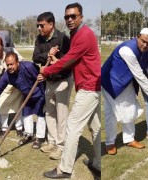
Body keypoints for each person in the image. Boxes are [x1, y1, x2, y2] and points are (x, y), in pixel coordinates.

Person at [41, 3, 100, 179]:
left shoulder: (84, 35)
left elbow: (69, 60)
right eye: (67, 17)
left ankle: (64, 169)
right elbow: (72, 59)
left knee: (73, 127)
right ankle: (97, 163)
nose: (69, 19)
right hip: (91, 86)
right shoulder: (75, 34)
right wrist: (56, 62)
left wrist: (47, 71)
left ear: (81, 16)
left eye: (73, 16)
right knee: (95, 127)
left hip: (89, 87)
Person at [102, 28, 148, 155]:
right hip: (110, 82)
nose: (145, 45)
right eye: (143, 41)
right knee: (112, 112)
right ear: (138, 37)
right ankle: (109, 142)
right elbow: (140, 75)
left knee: (131, 108)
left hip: (126, 82)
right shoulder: (127, 50)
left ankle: (129, 139)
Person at [0, 52, 46, 149]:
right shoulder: (7, 76)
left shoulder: (29, 66)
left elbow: (41, 76)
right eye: (8, 65)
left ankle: (39, 138)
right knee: (26, 113)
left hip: (39, 94)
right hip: (27, 96)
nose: (10, 67)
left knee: (40, 115)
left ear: (17, 63)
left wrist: (44, 93)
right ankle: (29, 135)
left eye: (12, 64)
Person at [32, 11, 71, 159]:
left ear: (51, 24)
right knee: (50, 113)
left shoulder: (63, 39)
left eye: (41, 25)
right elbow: (35, 57)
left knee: (61, 115)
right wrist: (47, 54)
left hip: (63, 80)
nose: (39, 28)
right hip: (49, 80)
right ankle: (52, 142)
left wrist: (55, 59)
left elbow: (68, 62)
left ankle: (61, 146)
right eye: (37, 25)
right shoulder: (39, 39)